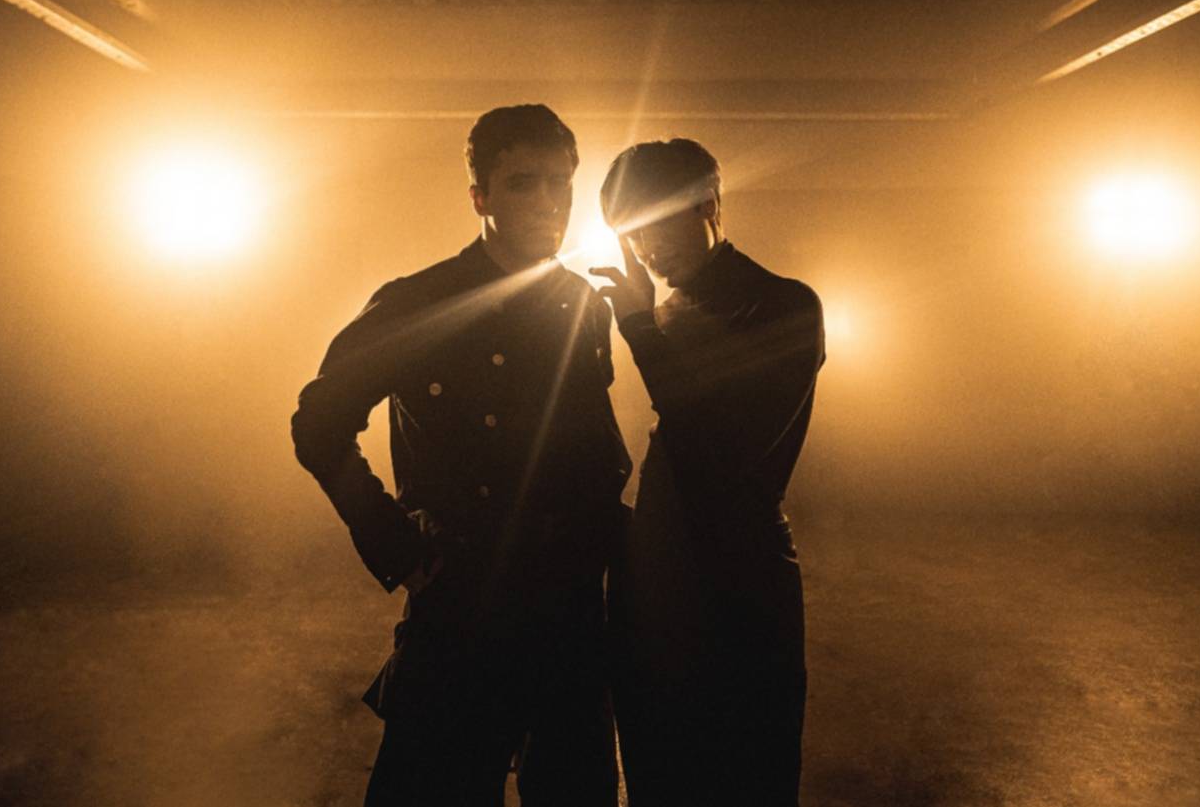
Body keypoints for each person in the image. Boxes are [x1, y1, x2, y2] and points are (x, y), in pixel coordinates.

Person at [291, 104, 632, 807]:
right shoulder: (420, 301)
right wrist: (395, 544)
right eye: (523, 182)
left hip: (569, 606)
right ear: (480, 197)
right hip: (467, 598)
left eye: (560, 183)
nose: (548, 201)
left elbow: (590, 450)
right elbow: (319, 423)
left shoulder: (583, 305)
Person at [590, 138, 825, 807]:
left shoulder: (784, 305)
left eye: (655, 223)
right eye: (630, 233)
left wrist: (639, 328)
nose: (645, 249)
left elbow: (722, 450)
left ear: (708, 204)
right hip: (654, 584)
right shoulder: (663, 311)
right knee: (658, 774)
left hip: (738, 585)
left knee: (747, 776)